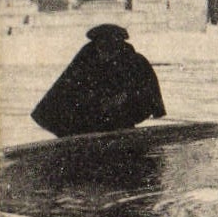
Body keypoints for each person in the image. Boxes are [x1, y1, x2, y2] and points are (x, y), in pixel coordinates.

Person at [31, 24, 165, 138]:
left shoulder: (134, 61)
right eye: (102, 49)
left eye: (110, 50)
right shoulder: (86, 58)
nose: (106, 55)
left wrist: (124, 97)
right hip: (88, 123)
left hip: (122, 119)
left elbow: (149, 94)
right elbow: (63, 93)